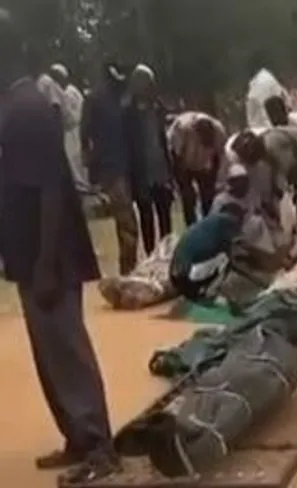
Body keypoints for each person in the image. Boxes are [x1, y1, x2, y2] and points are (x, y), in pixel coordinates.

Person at [0, 10, 119, 482]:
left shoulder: (26, 109)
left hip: (49, 258)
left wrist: (47, 263)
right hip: (31, 256)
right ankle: (77, 437)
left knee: (67, 352)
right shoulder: (15, 105)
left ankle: (98, 446)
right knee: (50, 356)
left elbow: (50, 189)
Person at [81, 61, 139, 274]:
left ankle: (129, 267)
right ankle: (128, 270)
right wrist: (93, 169)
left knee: (127, 223)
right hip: (113, 169)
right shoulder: (98, 99)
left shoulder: (120, 99)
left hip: (125, 167)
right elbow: (85, 136)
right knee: (127, 223)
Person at [124, 64, 173, 256]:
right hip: (141, 173)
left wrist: (169, 172)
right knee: (146, 217)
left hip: (160, 170)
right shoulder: (127, 113)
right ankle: (151, 255)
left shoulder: (157, 108)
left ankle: (167, 255)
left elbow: (163, 141)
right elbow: (128, 146)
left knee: (165, 216)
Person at [169, 203, 245, 301]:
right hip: (188, 280)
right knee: (226, 259)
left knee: (222, 257)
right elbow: (231, 249)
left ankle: (193, 290)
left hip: (174, 274)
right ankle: (207, 293)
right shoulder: (228, 222)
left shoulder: (207, 222)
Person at [167, 111, 227, 225]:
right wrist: (183, 182)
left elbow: (219, 157)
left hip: (206, 166)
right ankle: (192, 227)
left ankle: (209, 225)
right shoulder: (181, 128)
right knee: (188, 198)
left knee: (208, 197)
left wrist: (215, 179)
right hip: (183, 163)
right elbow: (175, 155)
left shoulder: (219, 131)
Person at [245, 52, 290, 129]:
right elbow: (286, 101)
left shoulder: (259, 83)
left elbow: (257, 114)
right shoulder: (269, 78)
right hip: (279, 123)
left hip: (267, 127)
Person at [63, 75, 90, 192]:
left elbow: (68, 115)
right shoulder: (74, 91)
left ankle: (80, 184)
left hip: (72, 130)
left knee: (73, 158)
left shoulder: (68, 93)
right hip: (77, 128)